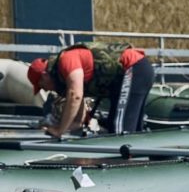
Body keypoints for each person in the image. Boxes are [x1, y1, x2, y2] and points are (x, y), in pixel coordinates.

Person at [27, 42, 155, 137]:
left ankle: (126, 167)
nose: (47, 90)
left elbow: (75, 95)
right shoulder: (63, 76)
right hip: (134, 73)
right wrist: (73, 124)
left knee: (120, 131)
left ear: (44, 75)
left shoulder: (66, 60)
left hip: (133, 68)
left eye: (43, 86)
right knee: (123, 128)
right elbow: (78, 110)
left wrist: (59, 130)